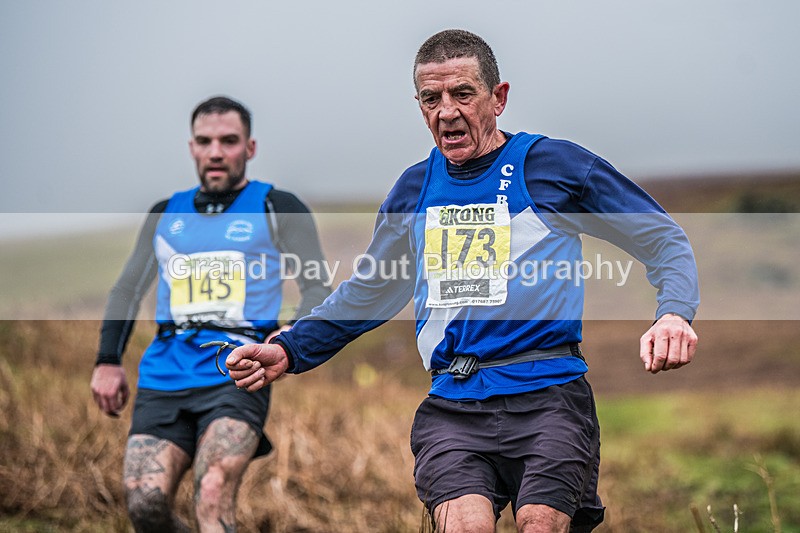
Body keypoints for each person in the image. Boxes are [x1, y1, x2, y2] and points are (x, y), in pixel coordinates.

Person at [225, 30, 699, 533]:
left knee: (540, 523)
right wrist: (291, 349)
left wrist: (673, 312)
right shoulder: (414, 189)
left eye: (462, 94)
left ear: (499, 97)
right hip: (454, 403)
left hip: (550, 398)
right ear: (419, 105)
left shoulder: (553, 167)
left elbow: (663, 239)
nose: (446, 111)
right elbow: (370, 291)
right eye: (431, 98)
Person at [90, 95, 330, 532]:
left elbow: (318, 286)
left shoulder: (278, 206)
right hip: (165, 374)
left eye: (229, 140)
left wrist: (288, 333)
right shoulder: (165, 213)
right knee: (144, 504)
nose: (216, 151)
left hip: (235, 369)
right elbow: (127, 289)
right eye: (205, 141)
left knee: (213, 492)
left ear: (250, 148)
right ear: (192, 148)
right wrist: (108, 360)